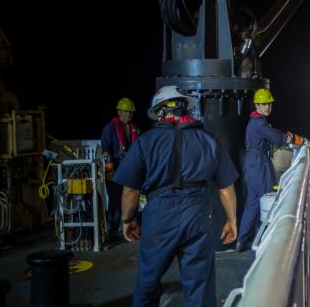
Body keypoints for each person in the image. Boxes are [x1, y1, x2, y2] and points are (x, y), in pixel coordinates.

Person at [112, 86, 238, 306]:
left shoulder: (146, 141)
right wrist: (231, 220)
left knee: (148, 282)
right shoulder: (208, 140)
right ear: (184, 109)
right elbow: (226, 187)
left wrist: (127, 220)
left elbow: (130, 190)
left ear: (160, 112)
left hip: (159, 217)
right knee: (200, 287)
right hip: (198, 215)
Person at [235, 88, 294, 251]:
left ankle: (242, 241)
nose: (267, 107)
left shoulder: (254, 121)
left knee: (252, 202)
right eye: (263, 104)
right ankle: (265, 240)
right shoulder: (260, 123)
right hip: (259, 163)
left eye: (269, 103)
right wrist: (288, 138)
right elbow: (276, 138)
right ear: (257, 106)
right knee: (268, 198)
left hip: (252, 162)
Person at [100, 97, 141, 241]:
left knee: (131, 199)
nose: (128, 115)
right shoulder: (110, 128)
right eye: (125, 112)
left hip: (130, 170)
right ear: (119, 112)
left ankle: (130, 227)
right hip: (116, 171)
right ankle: (112, 230)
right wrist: (109, 171)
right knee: (115, 201)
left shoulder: (135, 128)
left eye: (130, 112)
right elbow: (106, 151)